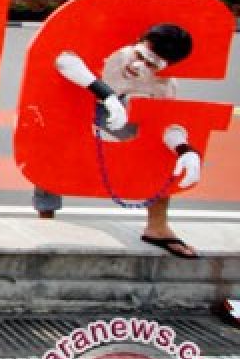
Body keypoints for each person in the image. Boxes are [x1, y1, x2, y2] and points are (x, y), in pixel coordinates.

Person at [33, 24, 202, 258]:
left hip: (125, 113)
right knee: (53, 139)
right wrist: (107, 95)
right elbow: (65, 61)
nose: (139, 65)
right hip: (78, 97)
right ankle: (46, 215)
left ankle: (157, 227)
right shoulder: (116, 55)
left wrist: (186, 150)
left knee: (163, 154)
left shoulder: (165, 86)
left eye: (153, 64)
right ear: (138, 40)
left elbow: (164, 125)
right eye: (141, 55)